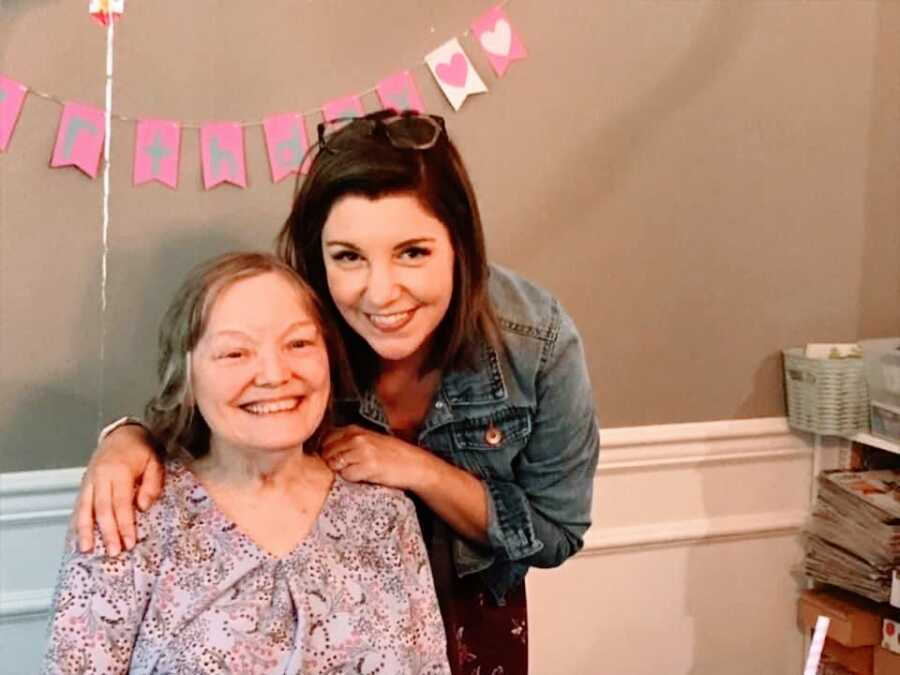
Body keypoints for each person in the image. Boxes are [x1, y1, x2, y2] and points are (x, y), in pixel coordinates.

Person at [74, 111, 601, 674]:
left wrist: (417, 469)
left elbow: (555, 533)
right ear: (316, 254)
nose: (380, 292)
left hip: (472, 607)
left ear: (461, 246)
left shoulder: (534, 341)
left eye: (413, 252)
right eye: (348, 256)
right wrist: (126, 440)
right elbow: (206, 410)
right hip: (330, 621)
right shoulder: (290, 322)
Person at [44, 252, 451, 675]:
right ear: (186, 376)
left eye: (298, 343)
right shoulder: (129, 515)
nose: (274, 374)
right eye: (235, 353)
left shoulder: (384, 515)